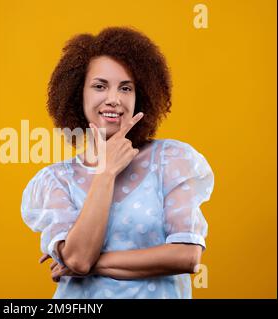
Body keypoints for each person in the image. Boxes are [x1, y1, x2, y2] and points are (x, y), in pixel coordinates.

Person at [20, 26, 215, 299]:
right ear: (79, 94)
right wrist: (106, 171)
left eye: (126, 88)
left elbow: (187, 255)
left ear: (140, 96)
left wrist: (93, 264)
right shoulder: (55, 181)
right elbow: (78, 259)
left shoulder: (171, 160)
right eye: (100, 86)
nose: (114, 99)